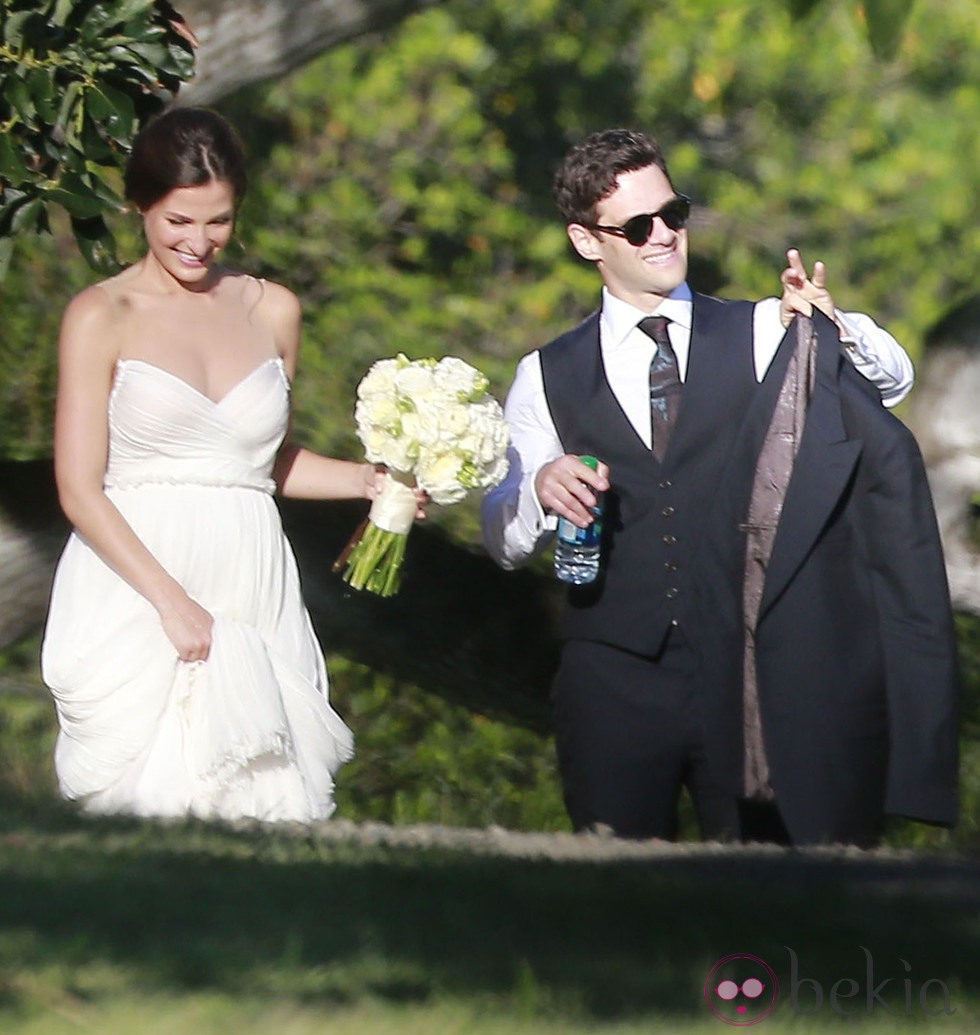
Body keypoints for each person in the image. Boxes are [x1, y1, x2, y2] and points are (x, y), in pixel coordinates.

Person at [481, 128, 934, 845]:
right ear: (587, 241)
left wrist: (827, 324)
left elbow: (892, 378)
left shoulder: (756, 327)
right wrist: (540, 486)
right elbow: (501, 536)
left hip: (749, 669)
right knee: (615, 887)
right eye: (637, 225)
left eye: (674, 212)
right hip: (612, 674)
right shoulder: (546, 374)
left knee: (766, 884)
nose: (663, 235)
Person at [41, 107, 421, 823]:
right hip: (141, 571)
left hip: (250, 569)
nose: (199, 241)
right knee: (150, 795)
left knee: (263, 798)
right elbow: (77, 486)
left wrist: (369, 482)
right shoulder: (101, 313)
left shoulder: (271, 308)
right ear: (140, 206)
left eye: (217, 221)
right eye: (179, 220)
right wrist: (171, 601)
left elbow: (259, 461)